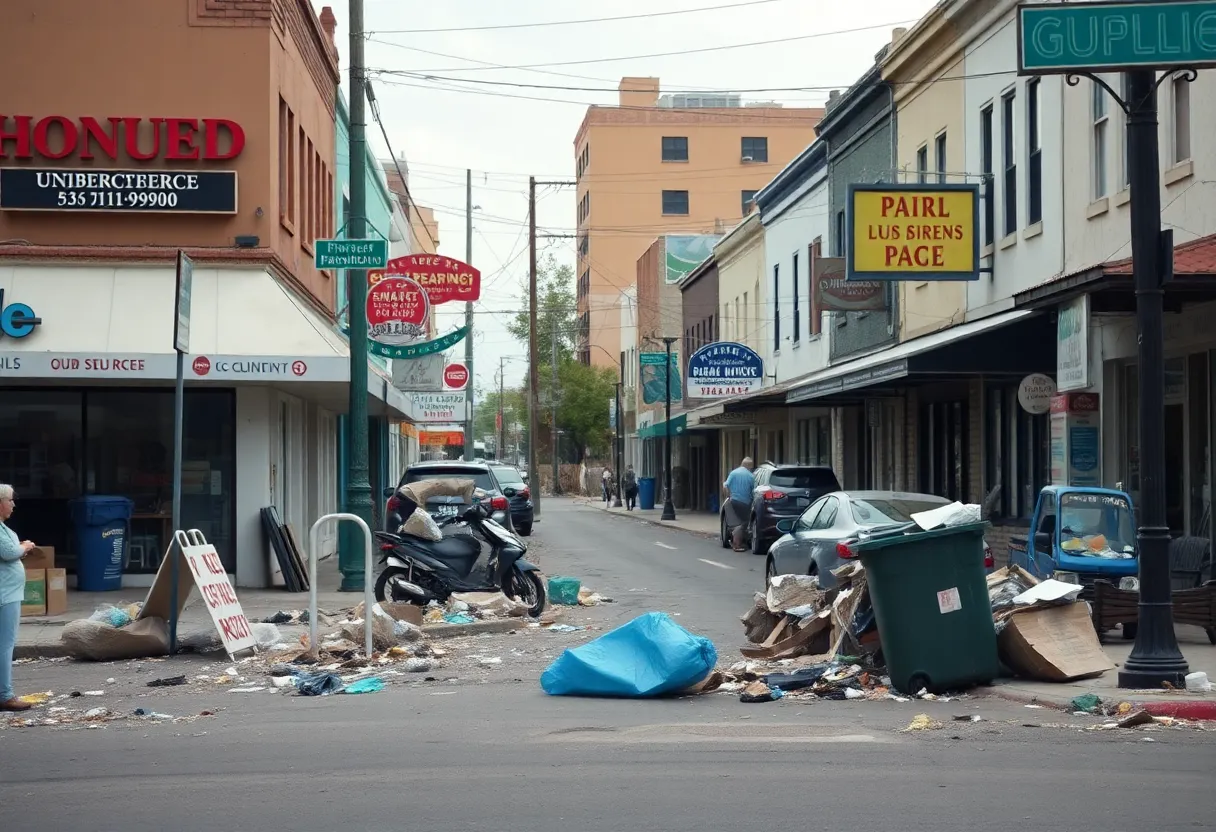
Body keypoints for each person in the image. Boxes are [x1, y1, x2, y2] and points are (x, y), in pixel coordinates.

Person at [1, 483, 35, 712]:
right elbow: (8, 552)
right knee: (5, 645)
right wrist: (26, 546)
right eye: (10, 500)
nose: (13, 504)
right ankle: (5, 695)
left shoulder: (3, 528)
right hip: (5, 595)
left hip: (7, 592)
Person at [722, 457, 756, 552]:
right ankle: (737, 544)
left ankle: (738, 540)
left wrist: (728, 495)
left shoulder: (733, 473)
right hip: (745, 502)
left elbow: (725, 485)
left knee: (738, 522)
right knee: (744, 523)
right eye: (751, 467)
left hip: (733, 500)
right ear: (749, 466)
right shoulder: (751, 476)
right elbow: (754, 491)